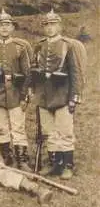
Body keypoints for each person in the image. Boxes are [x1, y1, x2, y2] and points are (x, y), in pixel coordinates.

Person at [30, 10, 83, 180]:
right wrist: (32, 90)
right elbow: (34, 70)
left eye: (53, 24)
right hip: (45, 96)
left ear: (59, 26)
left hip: (62, 95)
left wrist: (74, 96)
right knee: (49, 131)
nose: (50, 28)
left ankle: (68, 164)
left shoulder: (68, 45)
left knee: (65, 131)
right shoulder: (39, 45)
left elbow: (75, 73)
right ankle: (54, 162)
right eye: (47, 25)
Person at [0, 9, 32, 170]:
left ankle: (21, 158)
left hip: (16, 92)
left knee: (18, 126)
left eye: (7, 25)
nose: (4, 28)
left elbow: (27, 73)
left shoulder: (20, 47)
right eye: (1, 25)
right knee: (1, 126)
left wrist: (24, 96)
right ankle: (6, 155)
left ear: (12, 28)